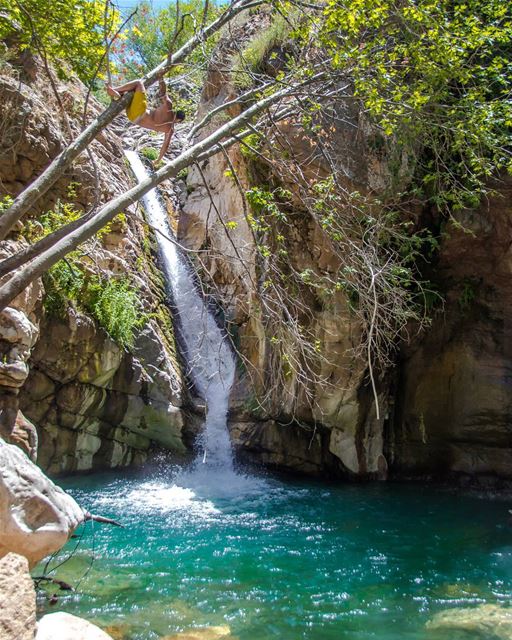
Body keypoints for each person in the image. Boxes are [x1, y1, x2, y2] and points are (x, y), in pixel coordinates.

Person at [106, 76, 185, 164]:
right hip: (133, 118)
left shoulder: (168, 107)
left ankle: (114, 90)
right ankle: (118, 94)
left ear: (176, 112)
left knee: (138, 83)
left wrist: (161, 77)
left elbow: (163, 92)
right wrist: (158, 160)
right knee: (132, 94)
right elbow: (165, 146)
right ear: (178, 120)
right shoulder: (170, 129)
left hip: (138, 111)